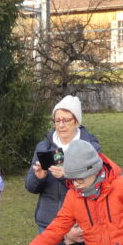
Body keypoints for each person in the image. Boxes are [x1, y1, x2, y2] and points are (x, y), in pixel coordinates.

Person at [25, 95, 102, 230]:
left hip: (79, 223)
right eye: (57, 120)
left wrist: (65, 176)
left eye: (66, 120)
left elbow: (96, 187)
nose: (61, 125)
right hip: (48, 222)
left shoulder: (90, 148)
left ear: (77, 121)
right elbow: (30, 187)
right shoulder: (44, 147)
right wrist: (39, 178)